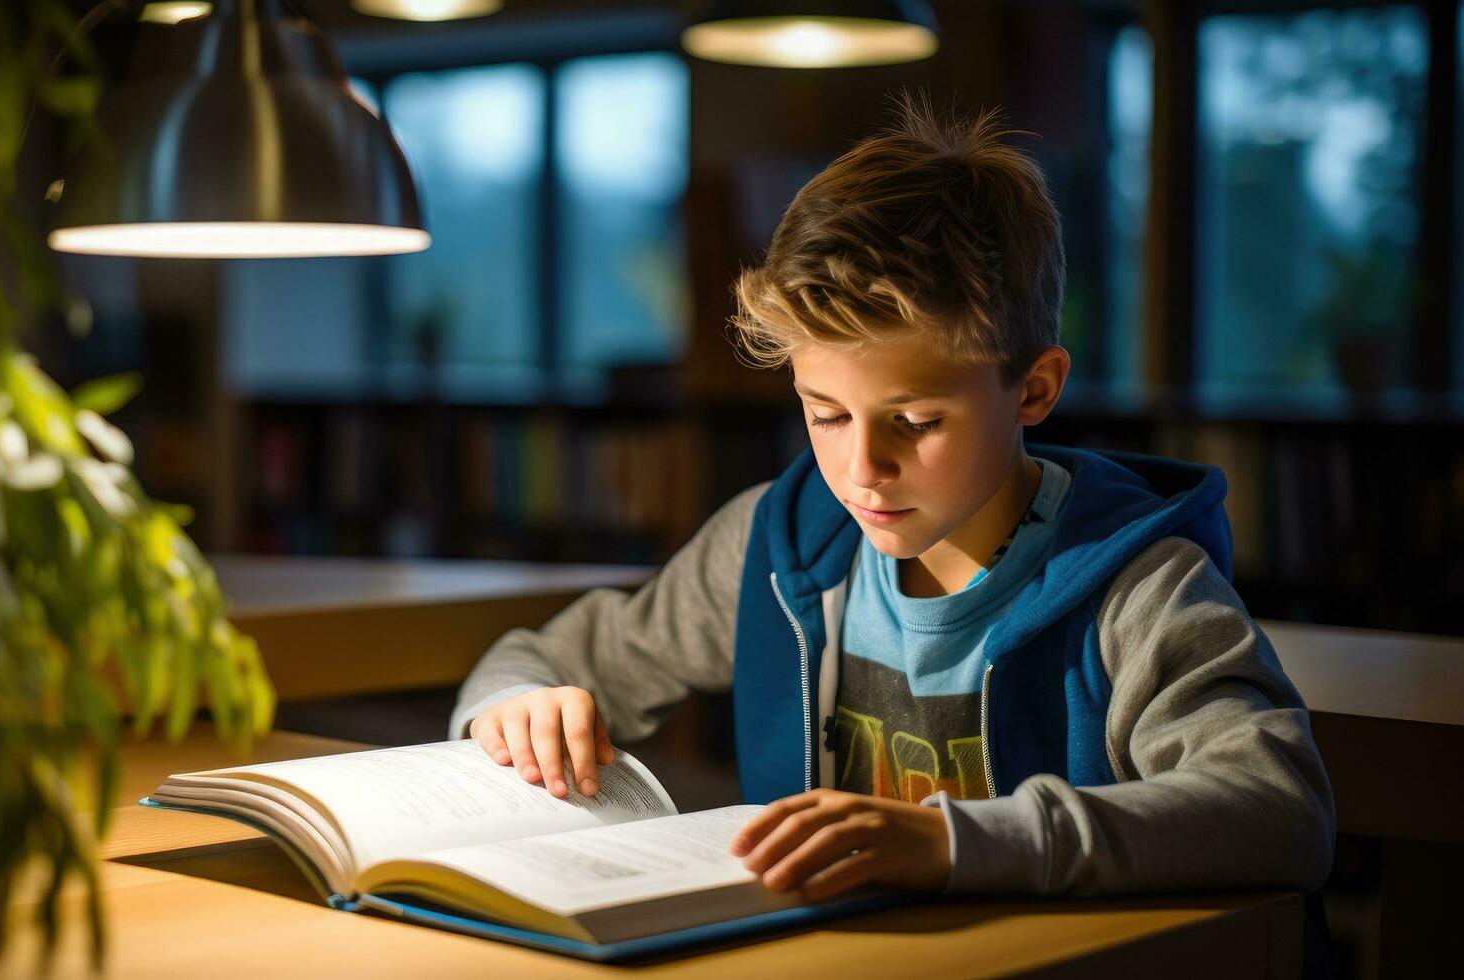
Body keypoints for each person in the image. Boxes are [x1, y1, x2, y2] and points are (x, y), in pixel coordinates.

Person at [446, 97, 1334, 908]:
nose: (862, 468)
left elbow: (1279, 809)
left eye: (914, 421)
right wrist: (516, 704)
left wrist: (958, 842)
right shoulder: (776, 540)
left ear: (1032, 390)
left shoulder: (1139, 585)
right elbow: (534, 657)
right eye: (824, 414)